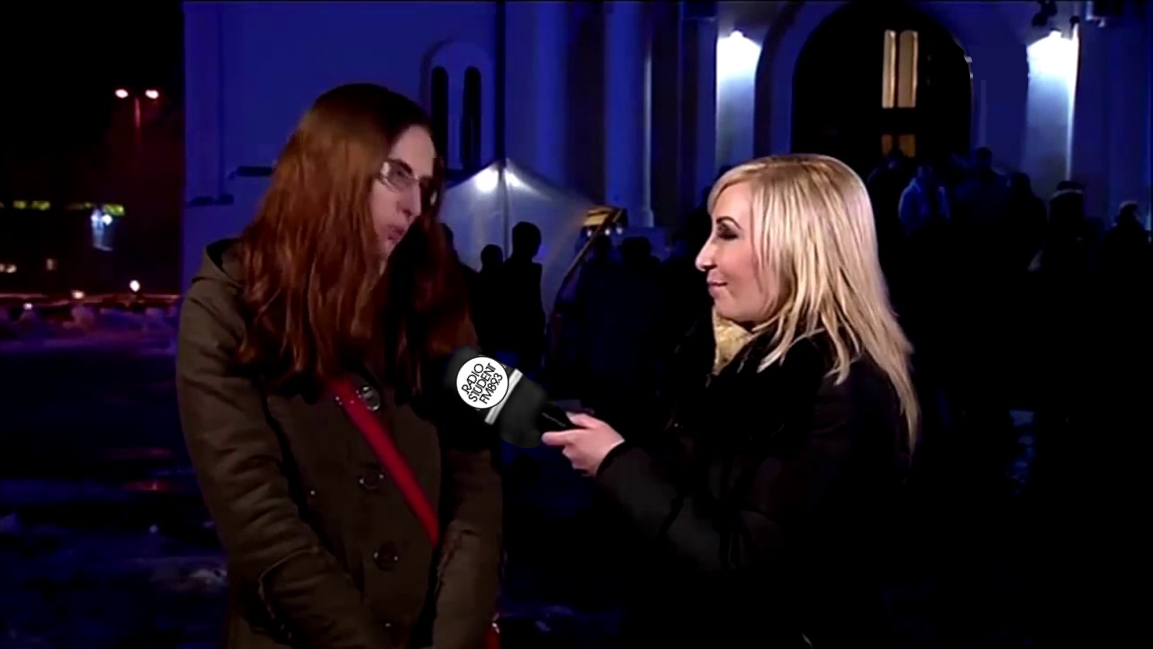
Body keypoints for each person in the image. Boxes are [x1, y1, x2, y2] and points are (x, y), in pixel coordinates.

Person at [544, 154, 918, 646]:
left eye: (727, 233)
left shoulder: (839, 388)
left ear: (795, 248)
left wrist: (617, 463)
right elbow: (686, 506)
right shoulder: (712, 354)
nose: (703, 257)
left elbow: (747, 569)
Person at [176, 83, 502, 649]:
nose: (414, 204)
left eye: (425, 187)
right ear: (332, 168)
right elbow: (257, 520)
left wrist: (454, 634)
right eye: (396, 174)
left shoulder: (438, 300)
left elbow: (477, 476)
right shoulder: (227, 307)